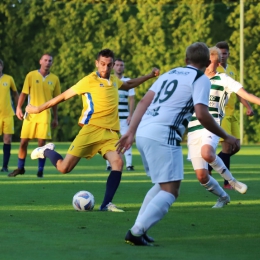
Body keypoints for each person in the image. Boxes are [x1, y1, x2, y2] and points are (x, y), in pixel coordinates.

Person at [115, 42, 239, 246]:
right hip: (165, 134)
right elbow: (202, 114)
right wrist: (226, 136)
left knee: (163, 184)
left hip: (145, 130)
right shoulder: (201, 78)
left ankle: (140, 228)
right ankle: (136, 232)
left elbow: (144, 102)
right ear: (208, 62)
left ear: (185, 60)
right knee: (171, 190)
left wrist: (131, 132)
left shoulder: (169, 74)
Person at [25, 49, 160, 212]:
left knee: (118, 162)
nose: (105, 68)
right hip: (90, 131)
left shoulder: (115, 81)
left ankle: (106, 204)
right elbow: (63, 96)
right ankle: (46, 151)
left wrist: (150, 76)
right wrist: (38, 108)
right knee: (63, 168)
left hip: (110, 134)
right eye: (102, 64)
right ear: (97, 63)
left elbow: (129, 84)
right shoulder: (89, 81)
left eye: (109, 65)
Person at [187, 46, 260, 209]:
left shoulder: (224, 79)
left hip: (211, 123)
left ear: (218, 63)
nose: (209, 66)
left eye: (212, 63)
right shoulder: (195, 79)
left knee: (207, 153)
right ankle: (223, 196)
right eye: (207, 63)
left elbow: (246, 95)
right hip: (193, 126)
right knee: (202, 176)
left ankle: (232, 182)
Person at [208, 41, 254, 189]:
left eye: (225, 53)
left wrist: (248, 106)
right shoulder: (214, 69)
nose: (222, 56)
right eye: (219, 54)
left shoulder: (232, 69)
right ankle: (227, 182)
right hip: (221, 113)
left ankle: (209, 164)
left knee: (237, 147)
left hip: (232, 114)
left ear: (228, 54)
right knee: (227, 148)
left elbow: (239, 91)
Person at [8, 53, 61, 178]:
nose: (48, 62)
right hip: (30, 114)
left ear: (52, 63)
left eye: (50, 61)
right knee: (23, 143)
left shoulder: (54, 79)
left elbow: (56, 100)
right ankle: (20, 168)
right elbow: (23, 93)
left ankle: (40, 170)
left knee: (42, 145)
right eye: (45, 60)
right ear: (40, 61)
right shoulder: (31, 75)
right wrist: (18, 108)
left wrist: (55, 117)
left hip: (45, 115)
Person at [106, 58, 135, 171]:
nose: (119, 67)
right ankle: (109, 164)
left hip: (124, 117)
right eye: (117, 65)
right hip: (111, 117)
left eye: (121, 65)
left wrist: (130, 114)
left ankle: (129, 164)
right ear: (113, 66)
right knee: (109, 140)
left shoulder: (127, 81)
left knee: (126, 139)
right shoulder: (109, 80)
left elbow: (132, 99)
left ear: (124, 67)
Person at [0, 59, 19, 172]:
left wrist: (18, 108)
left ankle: (5, 166)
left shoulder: (9, 78)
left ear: (2, 66)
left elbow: (15, 94)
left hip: (7, 114)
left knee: (7, 139)